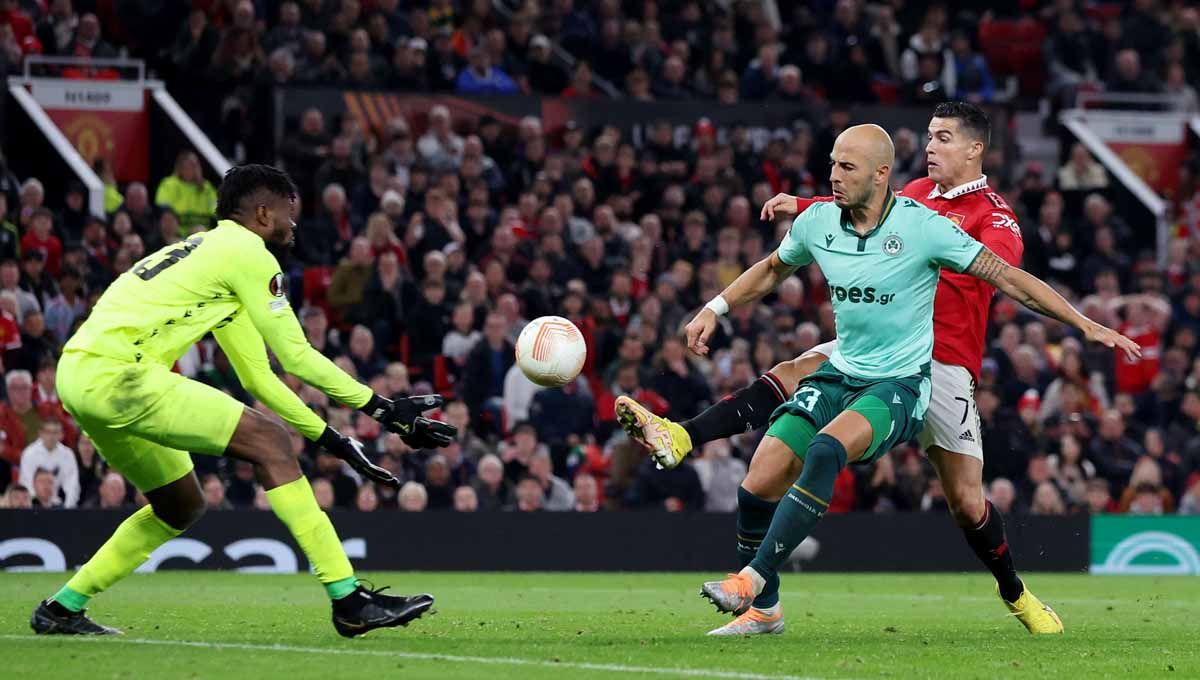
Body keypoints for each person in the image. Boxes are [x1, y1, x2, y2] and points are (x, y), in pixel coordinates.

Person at [617, 113, 1138, 636]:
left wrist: (1083, 323)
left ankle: (1015, 592)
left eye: (943, 138)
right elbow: (856, 207)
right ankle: (685, 439)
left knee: (965, 502)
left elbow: (1003, 274)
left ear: (975, 149)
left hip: (940, 360)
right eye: (929, 136)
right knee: (790, 377)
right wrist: (803, 209)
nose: (930, 147)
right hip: (868, 347)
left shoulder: (990, 216)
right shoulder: (909, 195)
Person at [30, 164, 456, 638]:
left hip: (80, 375)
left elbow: (261, 378)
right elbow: (297, 355)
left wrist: (332, 438)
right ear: (261, 212)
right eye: (287, 213)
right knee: (270, 441)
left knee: (181, 505)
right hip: (120, 374)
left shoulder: (213, 257)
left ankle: (63, 607)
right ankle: (349, 598)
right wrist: (382, 408)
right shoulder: (249, 253)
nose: (293, 224)